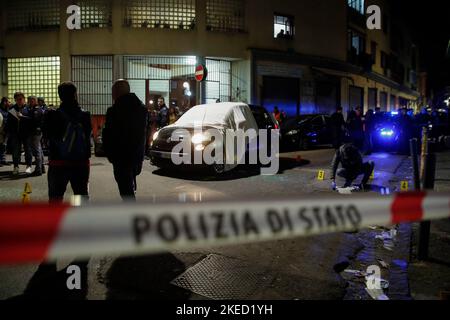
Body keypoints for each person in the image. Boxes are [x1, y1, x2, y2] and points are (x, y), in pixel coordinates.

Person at [45, 82, 92, 202]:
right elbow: (87, 136)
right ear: (75, 94)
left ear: (60, 96)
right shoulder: (85, 115)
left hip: (58, 162)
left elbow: (46, 136)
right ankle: (79, 219)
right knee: (80, 194)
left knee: (56, 197)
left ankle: (56, 219)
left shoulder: (52, 115)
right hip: (80, 162)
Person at [102, 80, 148, 201]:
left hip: (120, 157)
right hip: (136, 155)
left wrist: (109, 154)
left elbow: (108, 135)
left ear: (117, 92)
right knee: (129, 187)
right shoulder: (141, 109)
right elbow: (142, 134)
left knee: (125, 190)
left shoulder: (113, 111)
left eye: (113, 91)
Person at [6, 92, 33, 175]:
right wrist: (10, 132)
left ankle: (28, 166)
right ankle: (16, 166)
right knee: (16, 150)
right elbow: (9, 121)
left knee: (28, 150)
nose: (19, 101)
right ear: (15, 100)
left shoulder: (28, 108)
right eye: (17, 99)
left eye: (20, 99)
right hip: (15, 133)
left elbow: (32, 120)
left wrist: (22, 117)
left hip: (26, 133)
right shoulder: (12, 109)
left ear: (24, 99)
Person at [25, 96, 45, 176]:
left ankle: (38, 169)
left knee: (36, 151)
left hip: (35, 132)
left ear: (34, 101)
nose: (28, 102)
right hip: (37, 131)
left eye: (30, 101)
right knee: (39, 150)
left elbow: (34, 120)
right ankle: (41, 167)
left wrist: (23, 117)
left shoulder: (36, 109)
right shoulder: (36, 108)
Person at [0, 97, 10, 165]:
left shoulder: (7, 109)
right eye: (8, 102)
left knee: (4, 145)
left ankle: (2, 159)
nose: (9, 103)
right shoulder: (0, 110)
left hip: (6, 130)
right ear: (4, 102)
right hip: (1, 130)